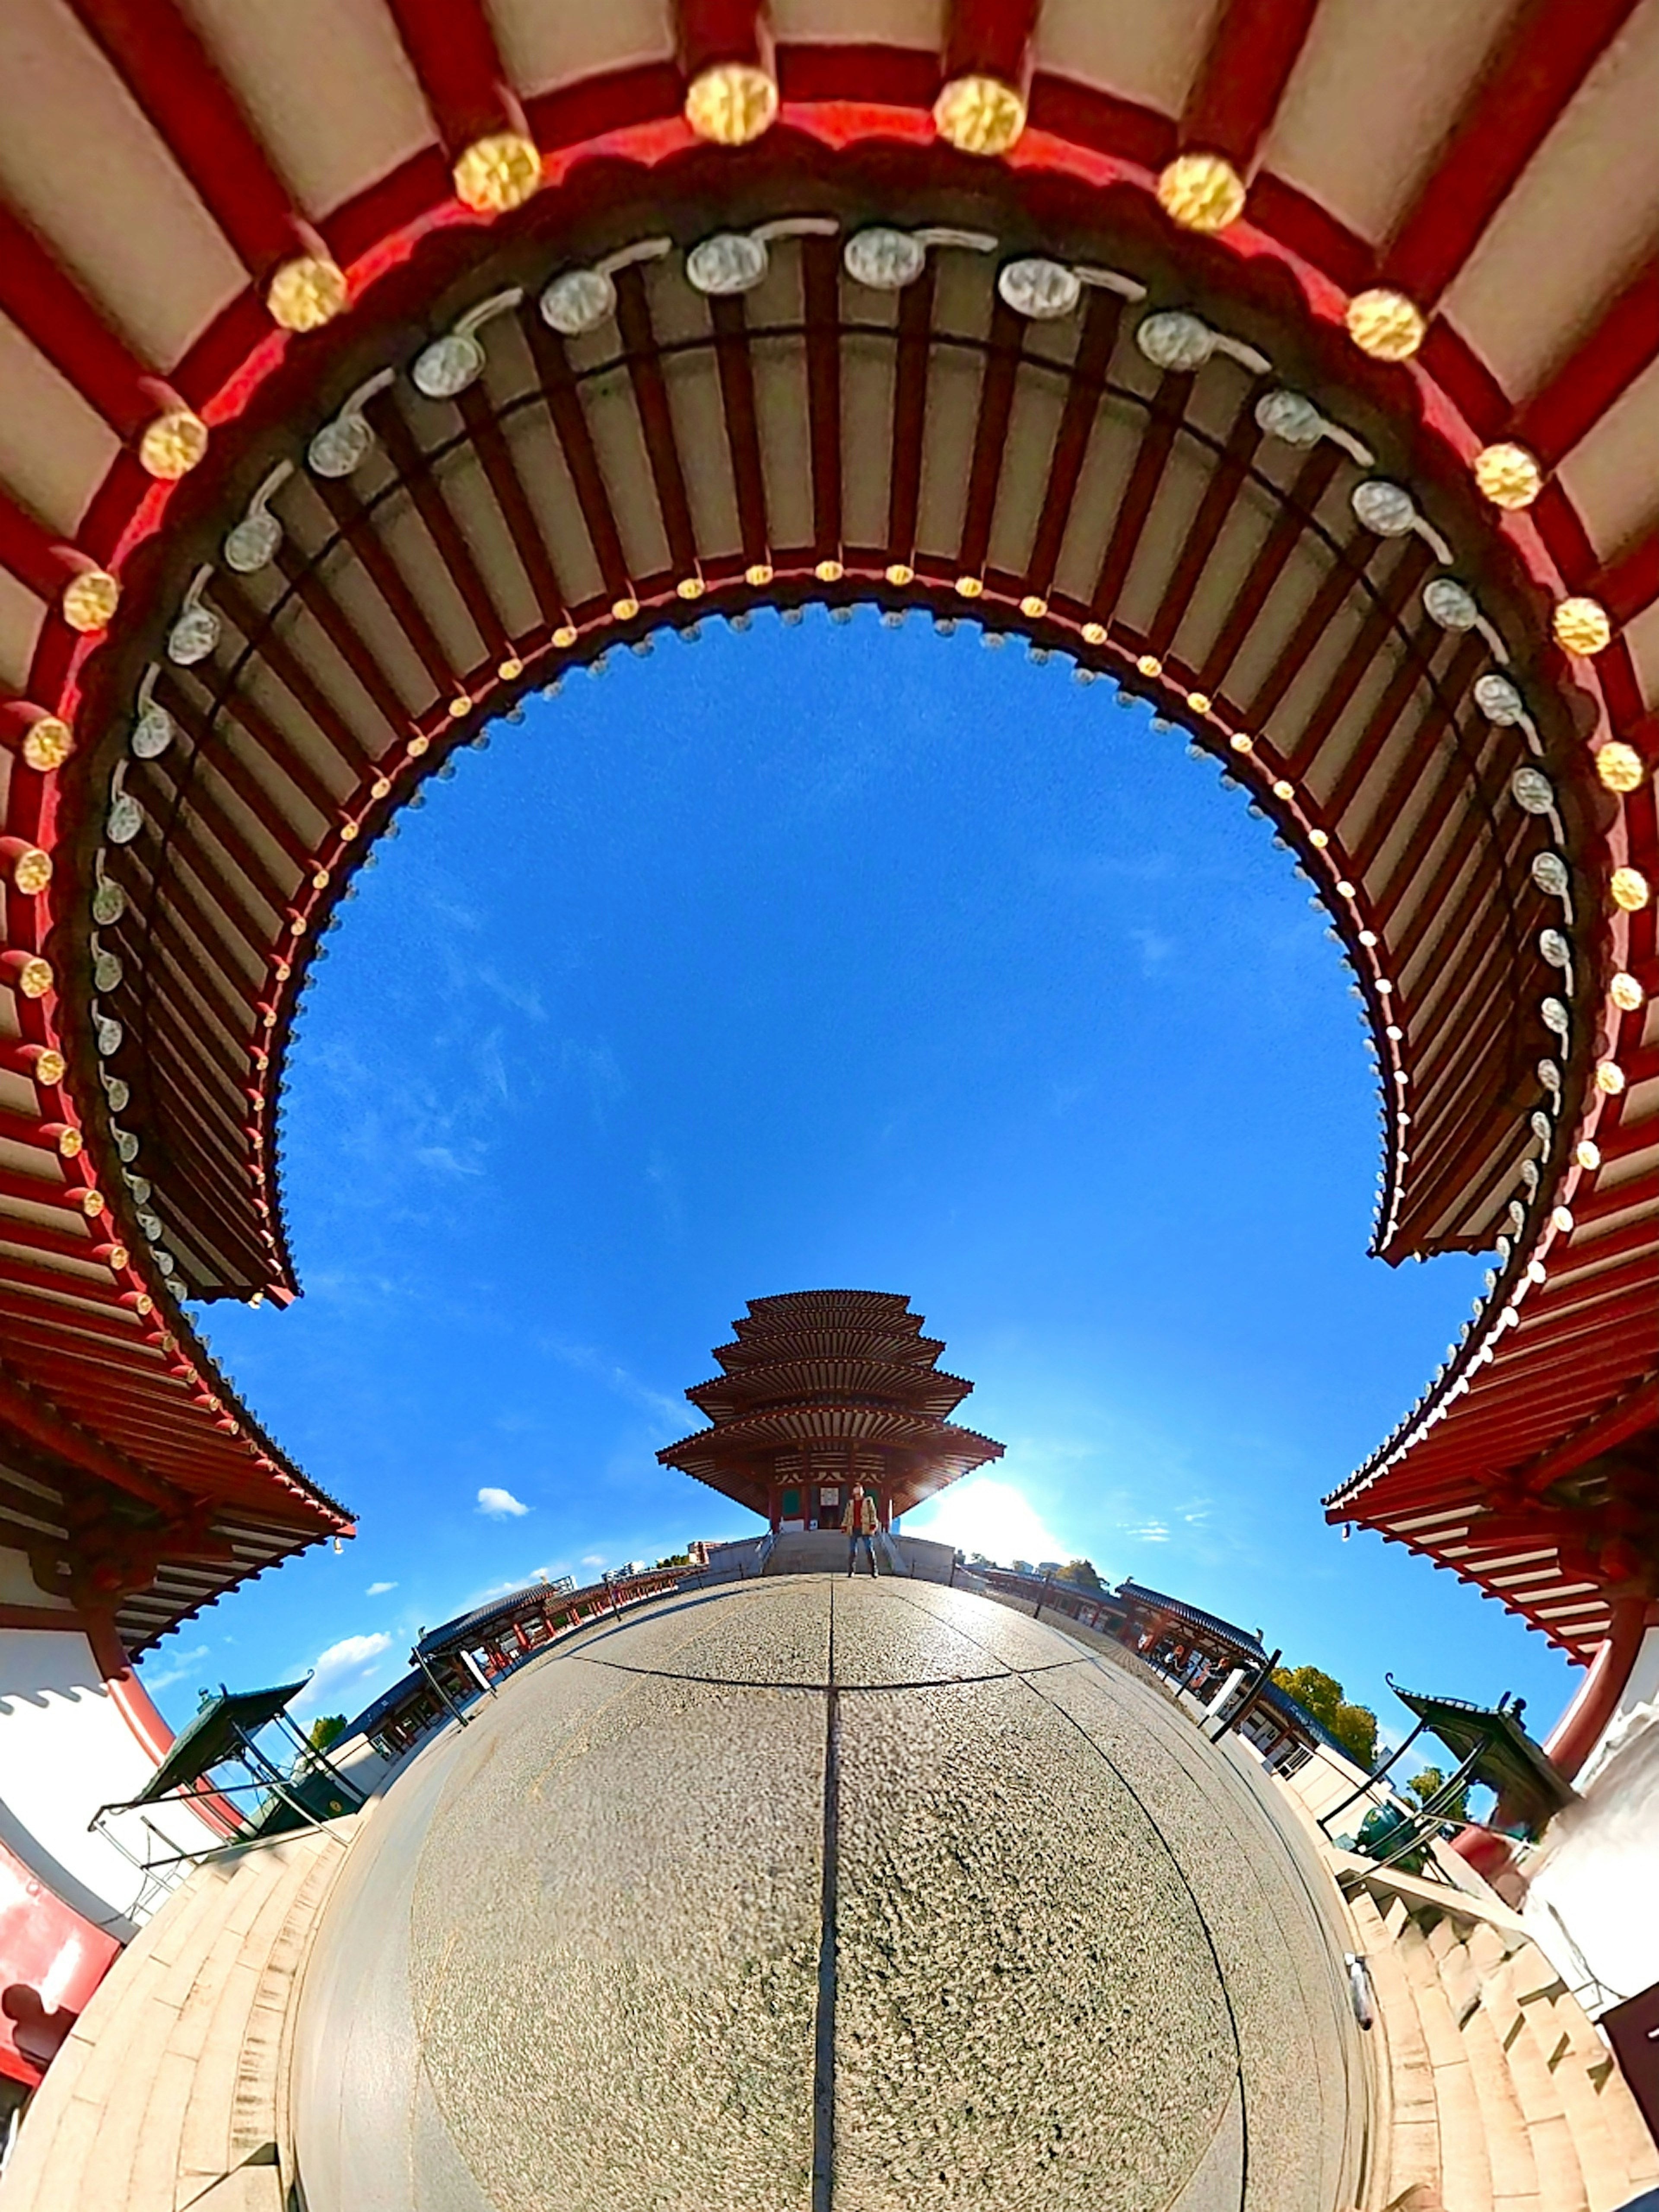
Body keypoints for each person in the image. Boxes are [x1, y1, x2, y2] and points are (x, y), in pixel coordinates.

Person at [841, 1483, 879, 1576]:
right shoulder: (851, 1503)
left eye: (860, 1489)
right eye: (856, 1489)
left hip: (865, 1527)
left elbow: (873, 1513)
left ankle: (874, 1570)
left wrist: (873, 1523)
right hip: (853, 1528)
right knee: (852, 1550)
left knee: (869, 1549)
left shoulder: (868, 1501)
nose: (858, 1490)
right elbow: (847, 1515)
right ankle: (851, 1571)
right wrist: (844, 1525)